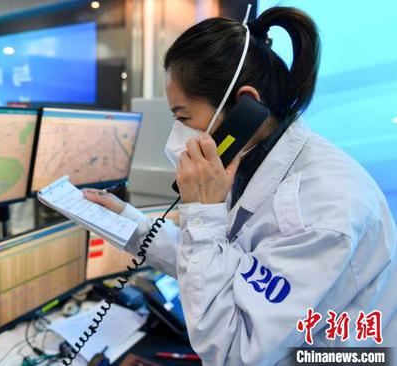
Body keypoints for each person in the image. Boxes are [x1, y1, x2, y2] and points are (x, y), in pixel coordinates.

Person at [83, 5, 397, 366]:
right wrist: (129, 223)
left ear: (245, 105)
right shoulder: (252, 160)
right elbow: (231, 267)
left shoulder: (320, 210)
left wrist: (202, 211)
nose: (178, 134)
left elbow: (235, 351)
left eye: (183, 117)